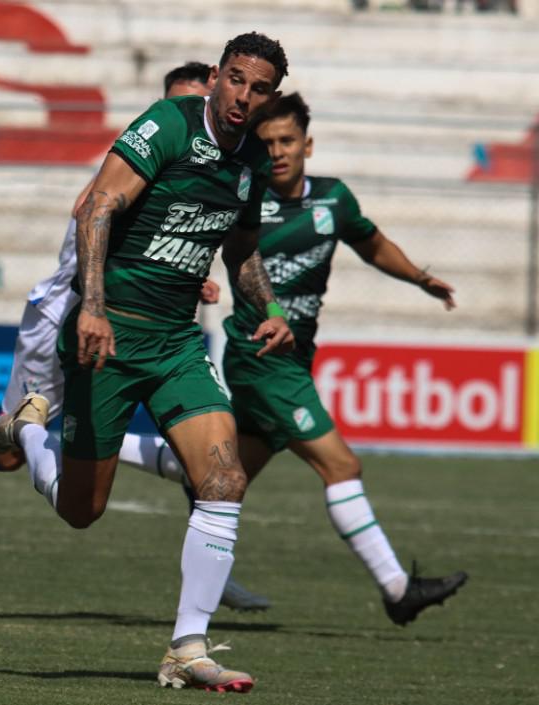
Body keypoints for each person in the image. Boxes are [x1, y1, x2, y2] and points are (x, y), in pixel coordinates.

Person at [0, 61, 267, 613]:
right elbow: (91, 208)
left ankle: (210, 578)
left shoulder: (224, 158)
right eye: (188, 99)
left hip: (142, 324)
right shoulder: (151, 144)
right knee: (11, 456)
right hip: (65, 312)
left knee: (189, 452)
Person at [0, 33, 295, 692]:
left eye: (259, 87)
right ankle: (30, 431)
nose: (244, 96)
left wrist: (268, 307)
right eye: (236, 80)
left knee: (224, 479)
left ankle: (187, 646)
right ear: (216, 76)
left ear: (272, 96)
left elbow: (241, 251)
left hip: (176, 342)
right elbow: (97, 205)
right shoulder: (167, 125)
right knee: (82, 509)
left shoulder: (252, 163)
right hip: (112, 331)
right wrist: (93, 306)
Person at [120, 93, 468, 627]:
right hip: (260, 359)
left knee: (215, 468)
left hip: (296, 359)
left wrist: (419, 277)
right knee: (341, 466)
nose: (278, 152)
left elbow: (371, 244)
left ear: (308, 144)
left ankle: (75, 441)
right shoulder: (243, 196)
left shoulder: (333, 201)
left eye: (287, 141)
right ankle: (398, 588)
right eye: (268, 143)